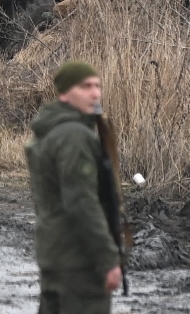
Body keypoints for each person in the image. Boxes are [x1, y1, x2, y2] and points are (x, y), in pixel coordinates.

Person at [25, 61, 123, 314]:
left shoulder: (50, 131)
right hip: (79, 260)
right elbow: (81, 202)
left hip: (55, 254)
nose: (95, 93)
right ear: (65, 93)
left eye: (97, 86)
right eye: (85, 86)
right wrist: (107, 259)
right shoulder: (74, 137)